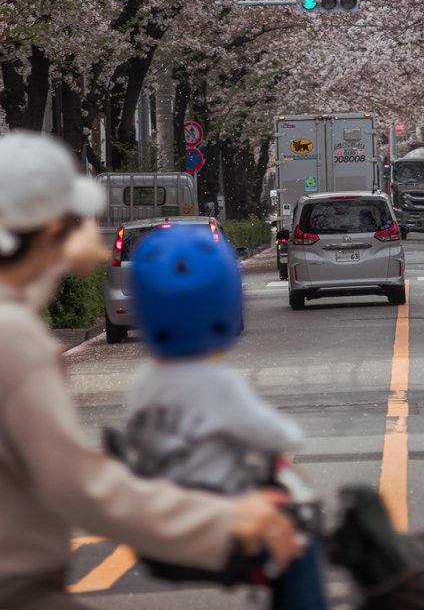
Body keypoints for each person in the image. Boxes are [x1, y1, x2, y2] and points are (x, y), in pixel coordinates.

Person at [0, 131, 299, 610]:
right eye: (79, 221)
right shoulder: (13, 337)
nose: (95, 243)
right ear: (50, 227)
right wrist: (220, 524)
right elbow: (75, 482)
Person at [121, 222, 328, 608]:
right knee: (300, 546)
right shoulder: (216, 385)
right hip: (214, 523)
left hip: (159, 528)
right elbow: (277, 436)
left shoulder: (143, 384)